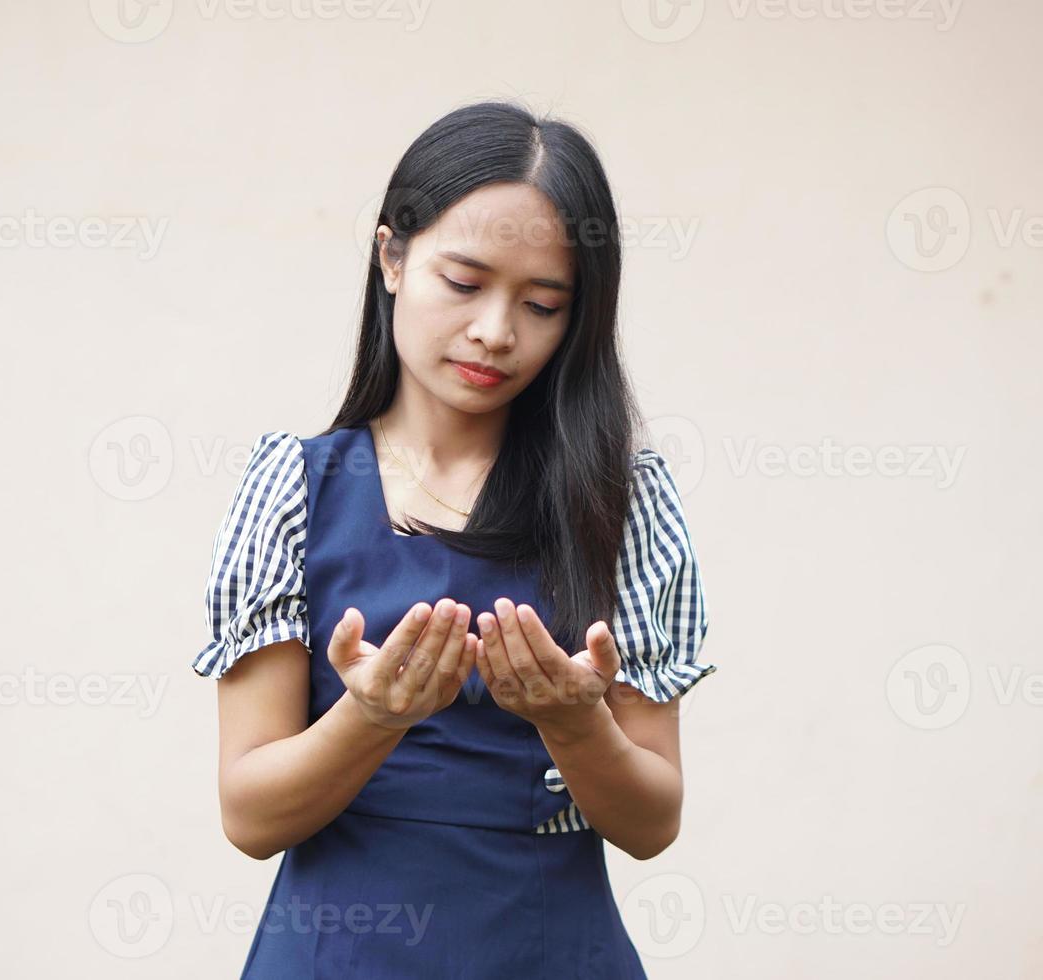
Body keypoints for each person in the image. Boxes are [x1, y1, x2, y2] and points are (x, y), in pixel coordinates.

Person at [191, 99, 717, 978]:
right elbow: (249, 816)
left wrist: (572, 723)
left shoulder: (619, 502)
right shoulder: (295, 489)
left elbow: (652, 822)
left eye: (543, 303)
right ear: (391, 255)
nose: (496, 332)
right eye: (465, 283)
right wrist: (371, 718)